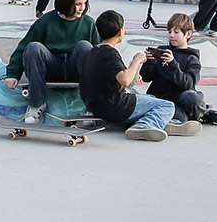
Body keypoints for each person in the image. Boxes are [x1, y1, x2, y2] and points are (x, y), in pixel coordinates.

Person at [76, 9, 192, 141]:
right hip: (114, 107)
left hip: (95, 105)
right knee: (167, 106)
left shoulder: (93, 51)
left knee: (150, 98)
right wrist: (136, 61)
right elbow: (125, 80)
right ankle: (145, 125)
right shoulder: (110, 53)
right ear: (120, 32)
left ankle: (160, 122)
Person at [3, 0, 99, 124]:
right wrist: (12, 74)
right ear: (66, 3)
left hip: (76, 69)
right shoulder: (46, 21)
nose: (82, 8)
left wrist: (114, 77)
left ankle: (91, 106)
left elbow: (103, 52)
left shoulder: (88, 23)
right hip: (51, 68)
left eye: (84, 4)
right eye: (78, 4)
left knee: (85, 46)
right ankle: (37, 104)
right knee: (34, 47)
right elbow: (22, 48)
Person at [140, 12, 217, 126]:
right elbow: (146, 78)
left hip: (180, 99)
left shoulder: (192, 59)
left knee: (190, 97)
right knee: (176, 116)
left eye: (176, 32)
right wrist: (150, 62)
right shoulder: (162, 51)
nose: (171, 35)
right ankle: (184, 117)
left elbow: (187, 84)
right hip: (161, 98)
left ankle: (203, 114)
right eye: (169, 32)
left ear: (188, 34)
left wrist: (173, 65)